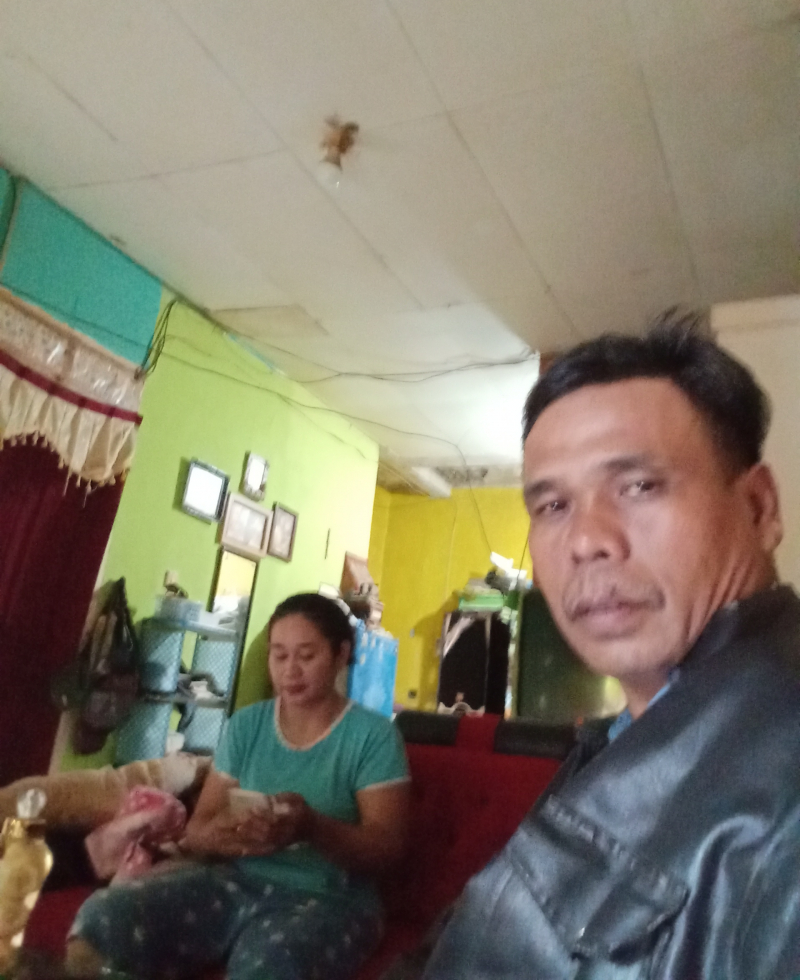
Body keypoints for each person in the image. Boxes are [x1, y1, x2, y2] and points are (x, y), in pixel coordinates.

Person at [421, 315, 800, 979]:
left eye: (639, 486)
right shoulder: (623, 736)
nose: (585, 540)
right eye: (552, 506)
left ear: (759, 508)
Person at [67, 592, 410, 980]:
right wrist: (231, 836)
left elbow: (387, 849)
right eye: (279, 655)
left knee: (271, 965)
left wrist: (310, 827)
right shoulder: (247, 726)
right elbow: (198, 831)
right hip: (238, 882)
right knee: (104, 915)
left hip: (331, 899)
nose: (290, 671)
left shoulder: (373, 737)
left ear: (341, 654)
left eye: (306, 655)